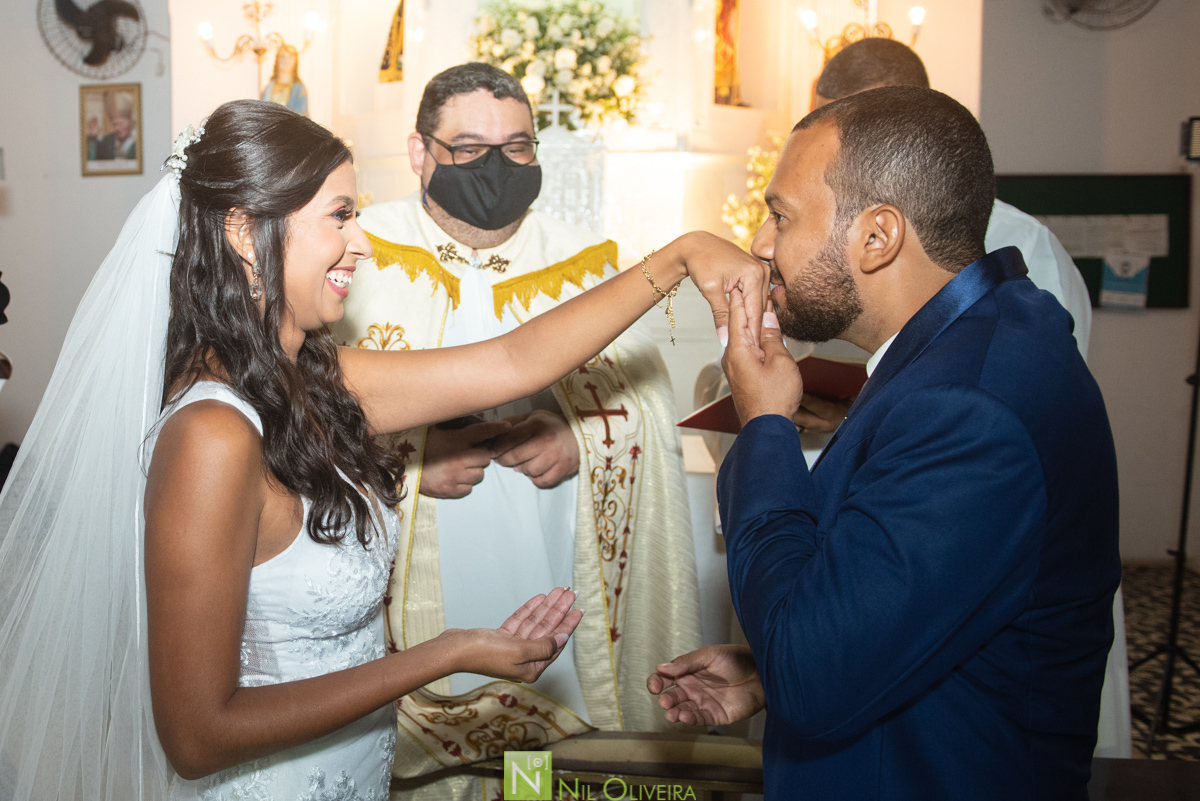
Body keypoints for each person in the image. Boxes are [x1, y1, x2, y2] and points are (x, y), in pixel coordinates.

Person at [0, 99, 766, 801]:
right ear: (244, 230)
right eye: (339, 215)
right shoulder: (210, 435)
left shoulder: (317, 378)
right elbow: (199, 734)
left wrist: (682, 256)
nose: (361, 244)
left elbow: (511, 362)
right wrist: (446, 652)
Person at [649, 87, 1120, 799]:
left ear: (878, 236)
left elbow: (814, 675)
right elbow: (940, 598)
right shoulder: (983, 333)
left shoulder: (969, 408)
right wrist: (768, 668)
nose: (760, 243)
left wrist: (768, 424)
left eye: (781, 215)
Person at [331, 63, 703, 796]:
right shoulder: (355, 255)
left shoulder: (585, 262)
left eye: (519, 147)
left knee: (537, 777)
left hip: (550, 567)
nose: (495, 165)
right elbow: (296, 422)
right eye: (468, 149)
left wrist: (578, 438)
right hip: (412, 594)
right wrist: (405, 462)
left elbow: (648, 406)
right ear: (419, 153)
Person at [260, 45, 309, 117]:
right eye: (282, 56)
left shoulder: (299, 89)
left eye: (290, 57)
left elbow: (302, 115)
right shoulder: (269, 88)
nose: (285, 60)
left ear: (295, 61)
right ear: (277, 60)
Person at [95, 90, 137, 160]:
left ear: (130, 122)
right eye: (114, 124)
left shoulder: (138, 141)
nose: (117, 128)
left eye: (121, 123)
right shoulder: (105, 142)